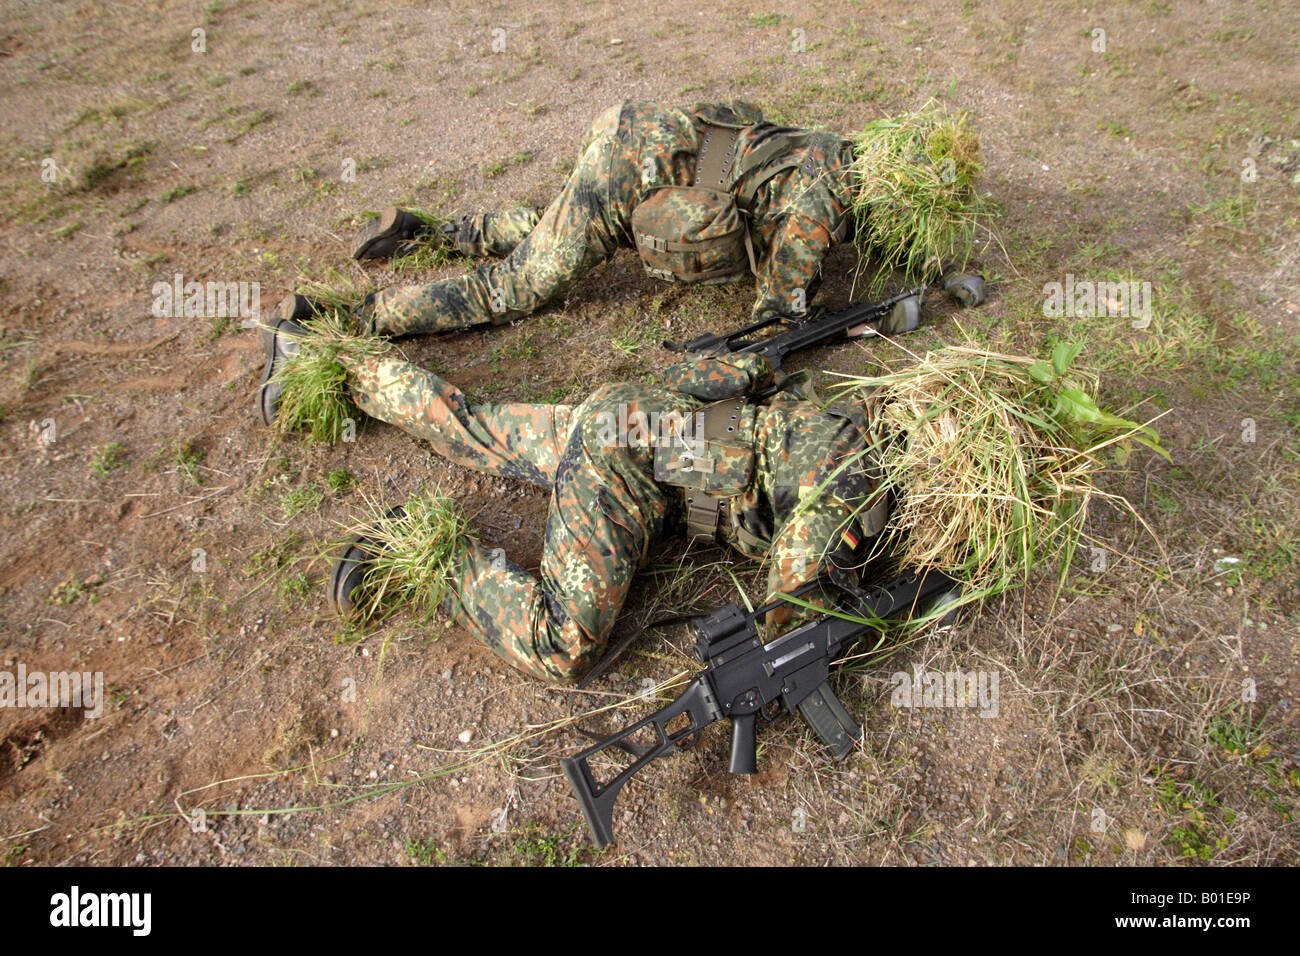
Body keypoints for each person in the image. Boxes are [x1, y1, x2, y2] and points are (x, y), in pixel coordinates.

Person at [257, 319, 893, 683]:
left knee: (476, 429)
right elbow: (785, 620)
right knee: (563, 645)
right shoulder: (853, 483)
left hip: (628, 415)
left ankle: (322, 356)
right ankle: (424, 551)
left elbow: (745, 378)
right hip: (623, 468)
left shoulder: (843, 413)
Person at [272, 100, 983, 340]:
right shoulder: (820, 206)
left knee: (564, 227)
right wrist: (853, 319)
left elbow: (736, 141)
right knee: (517, 289)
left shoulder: (833, 147)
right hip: (626, 169)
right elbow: (778, 314)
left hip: (641, 133)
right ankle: (346, 316)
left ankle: (432, 233)